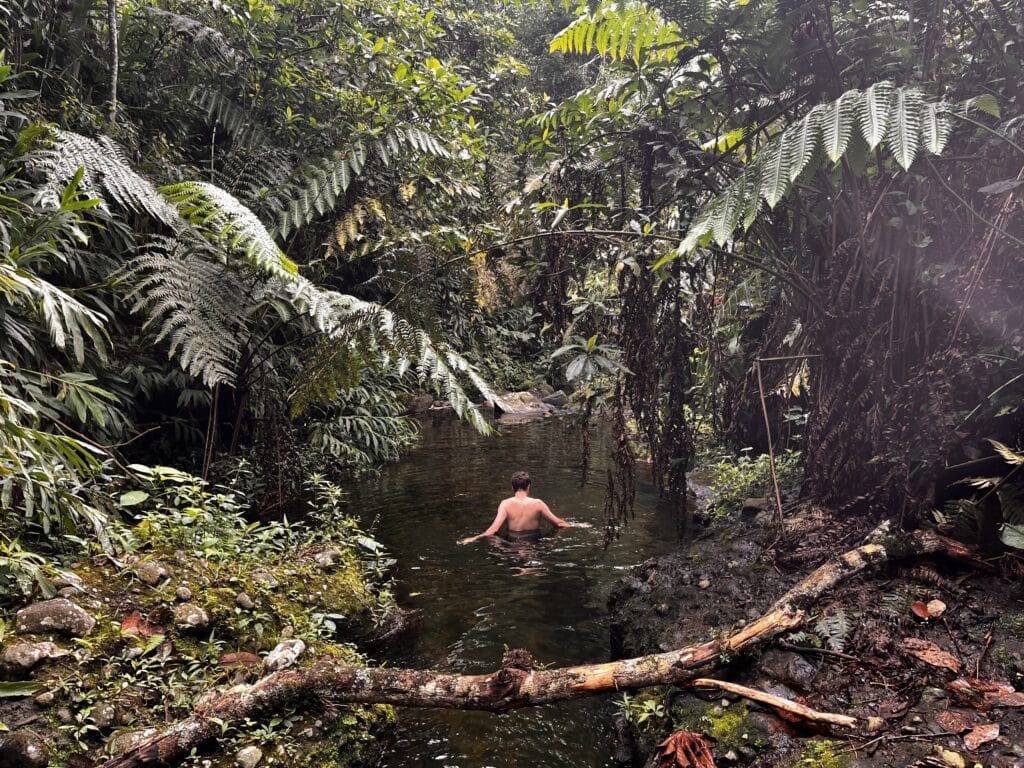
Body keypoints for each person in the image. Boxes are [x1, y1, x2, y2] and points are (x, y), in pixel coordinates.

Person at [458, 471, 588, 545]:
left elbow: (494, 529)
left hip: (512, 543)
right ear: (529, 486)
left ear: (512, 487)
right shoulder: (538, 503)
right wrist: (578, 525)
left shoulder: (505, 504)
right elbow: (559, 523)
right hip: (534, 542)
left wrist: (474, 538)